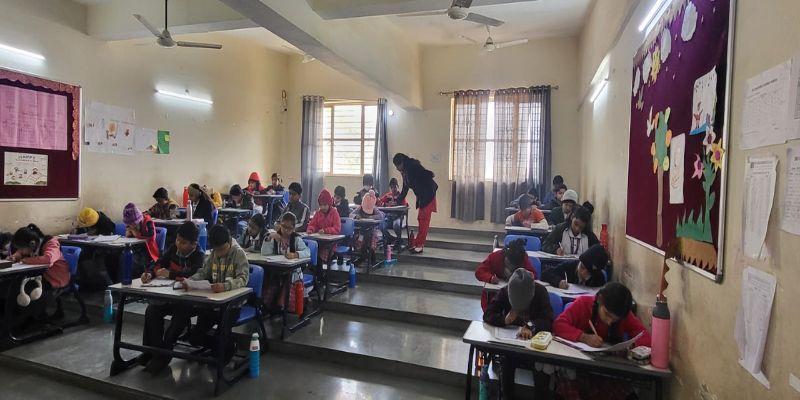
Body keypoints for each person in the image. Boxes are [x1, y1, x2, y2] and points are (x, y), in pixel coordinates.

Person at [553, 282, 651, 399]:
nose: (609, 322)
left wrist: (631, 347)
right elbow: (558, 324)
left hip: (608, 372)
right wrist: (583, 337)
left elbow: (645, 337)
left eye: (615, 320)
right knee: (566, 386)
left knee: (628, 394)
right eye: (607, 314)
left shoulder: (623, 314)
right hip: (579, 368)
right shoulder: (583, 303)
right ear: (599, 299)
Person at [139, 221, 203, 373]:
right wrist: (150, 273)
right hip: (171, 296)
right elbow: (159, 262)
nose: (178, 244)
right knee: (152, 310)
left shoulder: (199, 256)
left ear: (194, 244)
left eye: (183, 242)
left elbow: (194, 274)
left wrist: (171, 274)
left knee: (177, 321)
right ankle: (151, 351)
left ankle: (164, 355)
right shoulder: (174, 249)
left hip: (189, 302)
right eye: (177, 240)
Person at [483, 269, 553, 400]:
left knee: (542, 371)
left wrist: (531, 326)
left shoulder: (540, 292)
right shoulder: (505, 291)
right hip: (512, 345)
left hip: (535, 348)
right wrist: (504, 320)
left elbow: (548, 320)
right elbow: (488, 313)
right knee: (505, 362)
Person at [184, 225, 249, 357]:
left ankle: (223, 350)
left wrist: (225, 286)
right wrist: (190, 281)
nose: (219, 253)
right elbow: (204, 272)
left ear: (229, 241)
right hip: (214, 303)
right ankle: (222, 346)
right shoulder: (214, 253)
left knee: (221, 337)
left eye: (222, 249)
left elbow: (243, 279)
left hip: (233, 305)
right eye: (216, 250)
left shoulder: (238, 253)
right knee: (194, 337)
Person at [7, 224, 70, 320]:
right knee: (15, 286)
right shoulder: (30, 246)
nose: (20, 251)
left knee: (30, 291)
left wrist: (25, 260)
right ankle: (18, 317)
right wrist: (15, 257)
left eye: (22, 248)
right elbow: (20, 253)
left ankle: (33, 318)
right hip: (40, 276)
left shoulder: (51, 243)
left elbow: (49, 259)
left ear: (32, 243)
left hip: (55, 278)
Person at [261, 212, 310, 311]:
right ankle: (267, 304)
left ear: (294, 228)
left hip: (293, 271)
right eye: (284, 227)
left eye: (289, 228)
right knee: (268, 277)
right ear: (280, 225)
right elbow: (265, 253)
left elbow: (307, 252)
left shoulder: (296, 239)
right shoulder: (275, 236)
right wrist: (269, 238)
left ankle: (281, 304)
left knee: (287, 279)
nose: (286, 230)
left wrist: (295, 254)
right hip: (277, 269)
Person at [393, 153, 438, 254]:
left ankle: (420, 245)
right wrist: (396, 201)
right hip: (422, 196)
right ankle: (417, 243)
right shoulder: (404, 171)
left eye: (397, 166)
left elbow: (426, 176)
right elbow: (405, 188)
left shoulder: (412, 167)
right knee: (421, 219)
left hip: (428, 195)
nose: (397, 168)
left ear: (402, 163)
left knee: (424, 220)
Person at [474, 238, 536, 311]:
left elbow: (533, 275)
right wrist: (490, 278)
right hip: (495, 296)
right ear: (505, 255)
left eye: (514, 267)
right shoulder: (495, 257)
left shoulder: (523, 258)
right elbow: (479, 271)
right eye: (508, 264)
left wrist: (518, 277)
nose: (510, 268)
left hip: (516, 297)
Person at [541, 244, 608, 289]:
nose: (583, 273)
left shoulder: (599, 277)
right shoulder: (568, 266)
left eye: (588, 272)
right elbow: (545, 274)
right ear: (580, 262)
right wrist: (558, 282)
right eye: (582, 267)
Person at [306, 189, 341, 265]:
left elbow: (337, 228)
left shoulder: (334, 213)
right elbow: (313, 224)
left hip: (330, 244)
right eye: (321, 205)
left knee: (319, 255)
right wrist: (310, 229)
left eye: (325, 205)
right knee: (311, 251)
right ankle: (315, 270)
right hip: (319, 241)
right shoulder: (318, 213)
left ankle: (318, 271)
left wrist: (325, 230)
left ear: (329, 204)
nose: (323, 207)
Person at [349, 190, 384, 262]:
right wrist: (356, 216)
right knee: (360, 240)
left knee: (369, 241)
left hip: (372, 231)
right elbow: (350, 215)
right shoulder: (360, 208)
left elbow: (381, 216)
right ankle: (362, 256)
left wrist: (371, 217)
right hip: (361, 231)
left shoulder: (374, 209)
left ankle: (370, 258)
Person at [123, 203, 159, 273]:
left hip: (148, 249)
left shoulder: (148, 221)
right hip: (135, 248)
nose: (131, 226)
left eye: (133, 224)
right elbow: (130, 237)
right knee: (126, 257)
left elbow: (152, 237)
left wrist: (137, 235)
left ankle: (142, 275)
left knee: (138, 261)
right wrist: (128, 235)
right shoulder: (129, 224)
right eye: (129, 224)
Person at [378, 177, 408, 247]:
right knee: (380, 224)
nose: (393, 189)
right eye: (392, 187)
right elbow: (379, 202)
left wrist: (396, 204)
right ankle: (391, 238)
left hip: (398, 217)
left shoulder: (401, 196)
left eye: (395, 187)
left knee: (396, 225)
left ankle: (399, 240)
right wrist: (385, 204)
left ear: (398, 187)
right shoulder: (388, 195)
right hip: (388, 218)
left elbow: (405, 206)